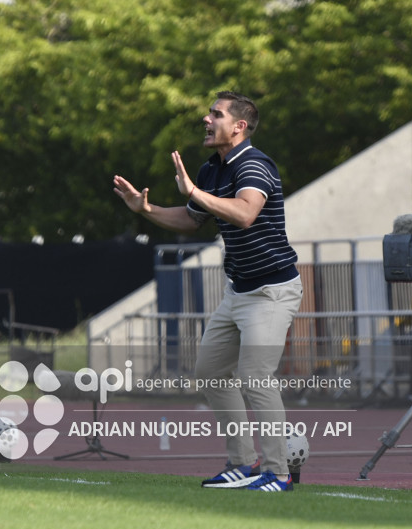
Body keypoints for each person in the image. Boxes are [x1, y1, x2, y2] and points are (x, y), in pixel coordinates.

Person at [113, 91, 303, 492]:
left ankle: (278, 472)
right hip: (239, 291)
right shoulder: (211, 168)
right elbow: (191, 218)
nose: (205, 118)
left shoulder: (253, 163)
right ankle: (240, 462)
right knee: (211, 372)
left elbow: (245, 212)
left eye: (216, 114)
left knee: (255, 376)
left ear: (239, 126)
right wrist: (145, 210)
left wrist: (195, 193)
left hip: (271, 291)